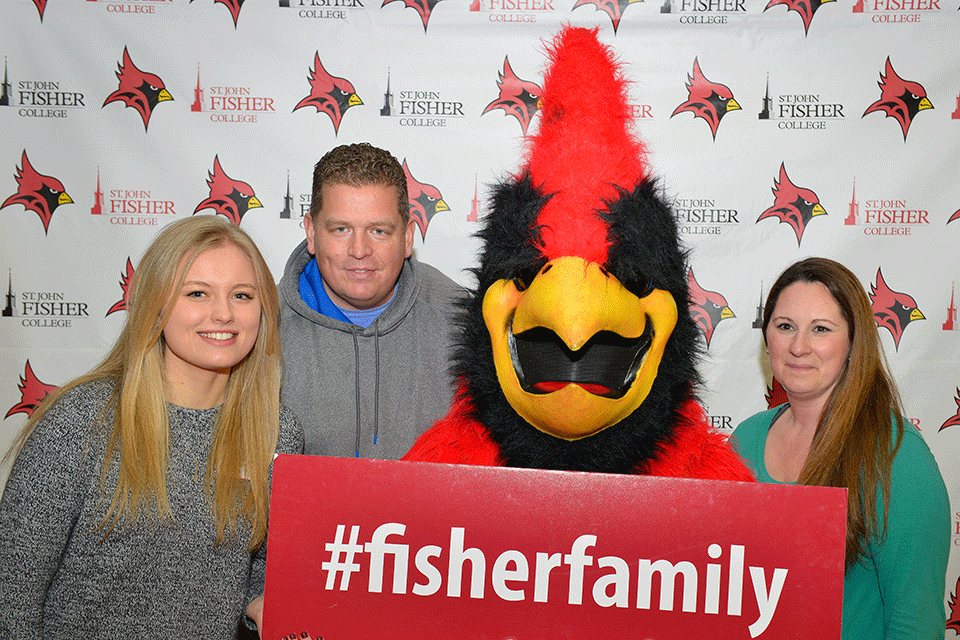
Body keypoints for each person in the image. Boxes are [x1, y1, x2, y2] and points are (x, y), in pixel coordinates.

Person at [0, 216, 303, 639]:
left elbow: (252, 567)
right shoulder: (82, 422)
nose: (224, 313)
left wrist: (262, 602)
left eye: (242, 295)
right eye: (197, 293)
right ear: (155, 305)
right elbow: (12, 594)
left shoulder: (276, 432)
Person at [733, 257, 949, 640]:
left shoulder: (897, 456)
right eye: (785, 327)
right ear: (767, 337)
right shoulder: (744, 441)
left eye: (821, 329)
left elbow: (914, 623)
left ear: (853, 342)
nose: (799, 347)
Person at [279, 142, 463, 458]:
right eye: (340, 229)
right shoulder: (262, 323)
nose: (360, 250)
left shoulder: (463, 324)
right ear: (311, 233)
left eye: (378, 231)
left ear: (407, 237)